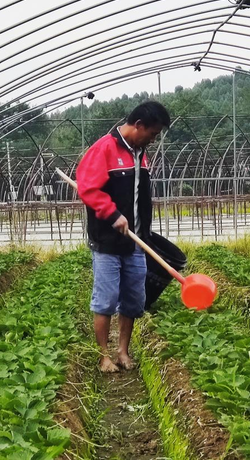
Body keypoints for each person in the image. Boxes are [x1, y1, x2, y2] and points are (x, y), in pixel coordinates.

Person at [76, 101, 171, 372]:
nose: (153, 140)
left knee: (133, 299)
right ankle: (103, 356)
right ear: (138, 125)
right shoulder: (104, 149)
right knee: (105, 299)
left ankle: (123, 352)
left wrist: (143, 230)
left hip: (137, 240)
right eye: (152, 133)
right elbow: (89, 188)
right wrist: (112, 214)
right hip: (107, 241)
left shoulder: (140, 154)